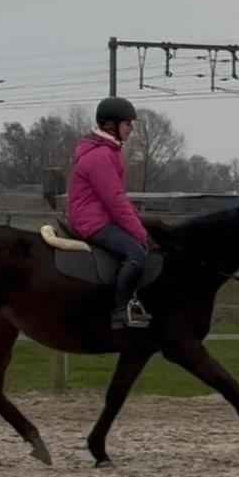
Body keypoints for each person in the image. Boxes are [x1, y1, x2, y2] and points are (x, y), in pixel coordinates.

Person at [66, 96, 152, 329]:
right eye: (128, 124)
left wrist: (138, 222)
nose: (131, 129)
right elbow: (114, 201)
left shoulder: (108, 151)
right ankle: (121, 312)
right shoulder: (100, 156)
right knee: (136, 251)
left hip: (100, 216)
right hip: (92, 221)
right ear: (111, 125)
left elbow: (118, 199)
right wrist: (140, 234)